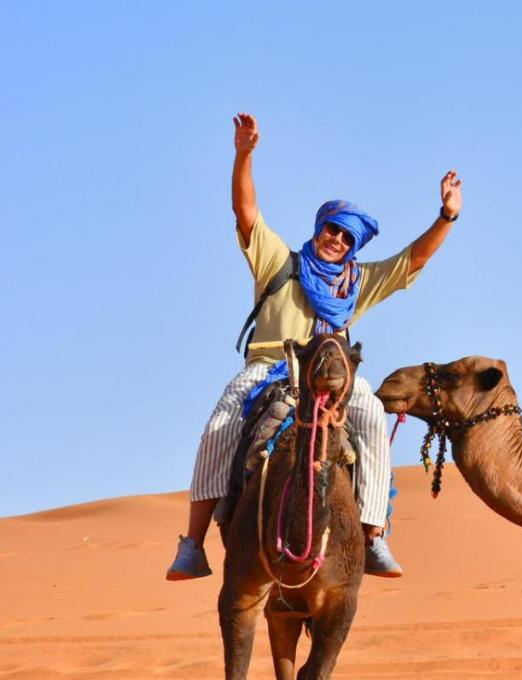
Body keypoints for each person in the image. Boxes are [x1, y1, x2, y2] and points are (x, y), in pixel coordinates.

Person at [166, 112, 462, 580]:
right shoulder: (278, 263)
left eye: (347, 238)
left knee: (367, 411)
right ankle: (193, 545)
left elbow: (412, 260)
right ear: (320, 228)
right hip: (270, 369)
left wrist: (447, 215)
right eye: (333, 230)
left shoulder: (355, 284)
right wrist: (244, 156)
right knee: (222, 423)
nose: (337, 240)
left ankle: (373, 535)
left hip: (331, 381)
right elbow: (246, 213)